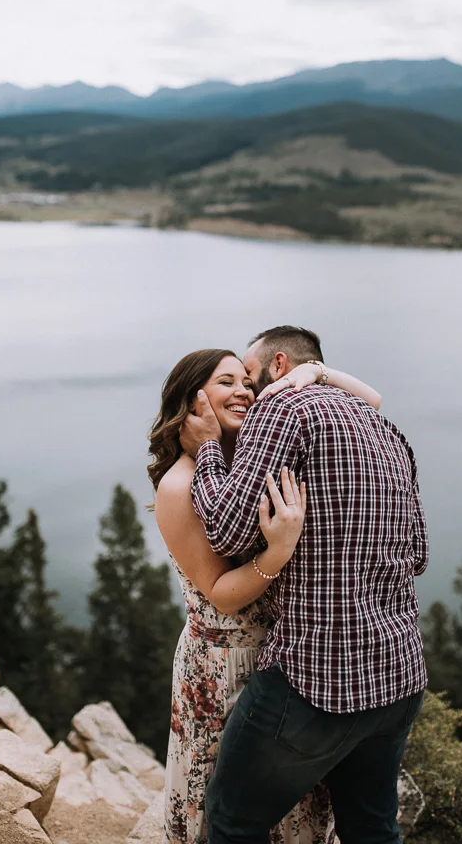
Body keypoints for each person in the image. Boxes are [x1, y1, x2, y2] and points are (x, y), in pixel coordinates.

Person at [180, 326, 429, 844]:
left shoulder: (285, 409)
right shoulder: (386, 430)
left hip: (317, 681)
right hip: (399, 675)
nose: (246, 393)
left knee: (232, 822)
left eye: (247, 376)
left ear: (277, 367)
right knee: (373, 828)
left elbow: (226, 529)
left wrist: (207, 450)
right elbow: (419, 555)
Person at [149, 347, 381, 844]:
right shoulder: (179, 486)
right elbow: (221, 595)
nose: (244, 392)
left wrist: (314, 372)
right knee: (228, 810)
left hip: (283, 664)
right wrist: (277, 554)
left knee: (290, 810)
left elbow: (373, 405)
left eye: (247, 383)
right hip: (223, 667)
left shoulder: (245, 466)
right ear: (191, 402)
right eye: (225, 382)